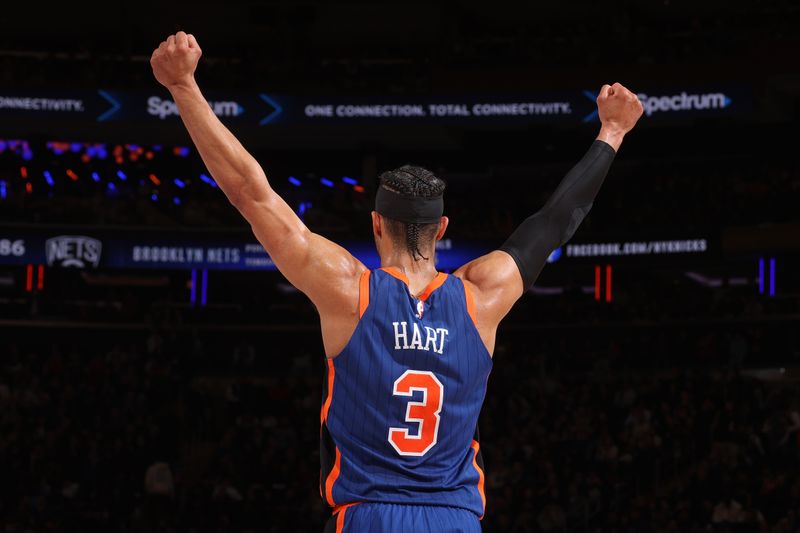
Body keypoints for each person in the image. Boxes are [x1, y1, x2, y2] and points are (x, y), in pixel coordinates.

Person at [150, 32, 643, 532]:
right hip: (455, 520)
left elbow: (250, 193)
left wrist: (184, 87)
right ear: (442, 229)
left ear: (377, 224)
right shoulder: (482, 297)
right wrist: (611, 133)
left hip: (371, 517)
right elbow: (554, 222)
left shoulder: (348, 290)